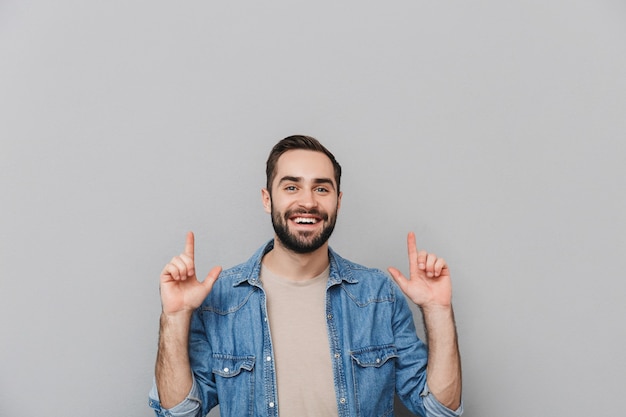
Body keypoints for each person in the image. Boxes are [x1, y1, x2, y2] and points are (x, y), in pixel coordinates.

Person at [149, 135, 463, 417]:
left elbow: (440, 410)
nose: (308, 201)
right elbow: (180, 414)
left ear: (338, 201)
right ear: (267, 198)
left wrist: (437, 311)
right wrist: (175, 317)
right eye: (291, 187)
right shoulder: (219, 300)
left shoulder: (378, 295)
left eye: (321, 188)